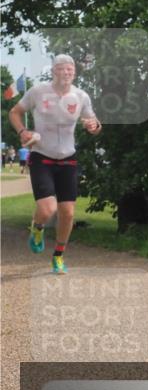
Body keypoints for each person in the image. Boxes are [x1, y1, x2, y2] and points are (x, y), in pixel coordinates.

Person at [8, 55, 102, 273]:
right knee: (48, 209)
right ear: (53, 71)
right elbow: (14, 112)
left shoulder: (81, 96)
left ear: (74, 73)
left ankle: (58, 256)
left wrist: (93, 126)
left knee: (67, 213)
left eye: (70, 69)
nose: (66, 72)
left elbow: (95, 124)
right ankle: (37, 228)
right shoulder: (38, 92)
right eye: (61, 68)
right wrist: (22, 131)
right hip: (42, 156)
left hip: (68, 158)